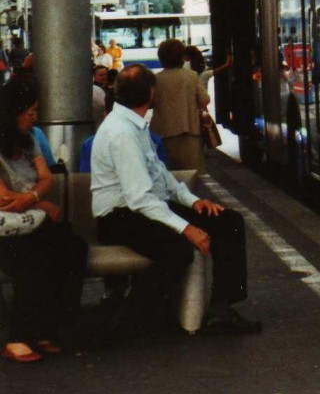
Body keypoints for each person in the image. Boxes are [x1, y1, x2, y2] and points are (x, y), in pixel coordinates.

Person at [91, 64, 261, 338]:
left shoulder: (133, 124)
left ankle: (221, 310)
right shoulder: (122, 133)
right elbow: (139, 197)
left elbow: (160, 176)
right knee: (177, 248)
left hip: (138, 211)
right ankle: (130, 319)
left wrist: (192, 202)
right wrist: (186, 227)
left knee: (228, 222)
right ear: (150, 93)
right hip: (120, 217)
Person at [0, 80, 88, 362]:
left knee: (73, 248)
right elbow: (3, 198)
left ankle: (48, 327)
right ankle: (17, 336)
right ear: (13, 111)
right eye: (30, 112)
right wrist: (39, 200)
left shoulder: (32, 138)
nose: (35, 118)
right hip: (8, 229)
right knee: (33, 259)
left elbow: (46, 176)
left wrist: (33, 197)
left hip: (33, 219)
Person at [149, 39, 210, 172]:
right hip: (189, 132)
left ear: (161, 58)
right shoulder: (192, 76)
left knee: (165, 175)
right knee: (190, 176)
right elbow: (205, 100)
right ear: (182, 57)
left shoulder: (155, 79)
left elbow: (149, 103)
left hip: (162, 133)